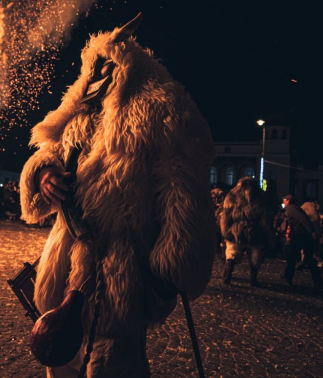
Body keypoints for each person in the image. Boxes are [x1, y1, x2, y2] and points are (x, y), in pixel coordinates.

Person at [19, 14, 216, 377]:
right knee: (62, 361)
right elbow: (51, 149)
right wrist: (43, 173)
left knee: (111, 365)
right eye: (93, 68)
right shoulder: (80, 115)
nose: (97, 76)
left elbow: (183, 193)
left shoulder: (160, 111)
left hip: (121, 265)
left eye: (106, 67)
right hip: (67, 254)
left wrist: (167, 270)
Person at [219, 177, 273, 287]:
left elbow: (226, 216)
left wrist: (225, 231)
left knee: (232, 253)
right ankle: (253, 280)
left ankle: (227, 276)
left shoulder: (232, 195)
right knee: (255, 256)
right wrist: (269, 236)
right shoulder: (260, 197)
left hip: (236, 231)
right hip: (255, 232)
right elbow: (265, 220)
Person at [282, 195, 323, 291]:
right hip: (304, 235)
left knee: (292, 256)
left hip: (300, 235)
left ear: (288, 201)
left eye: (284, 201)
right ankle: (319, 283)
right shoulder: (295, 208)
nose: (283, 203)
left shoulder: (291, 209)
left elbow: (302, 219)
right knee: (309, 260)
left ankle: (288, 277)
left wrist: (311, 231)